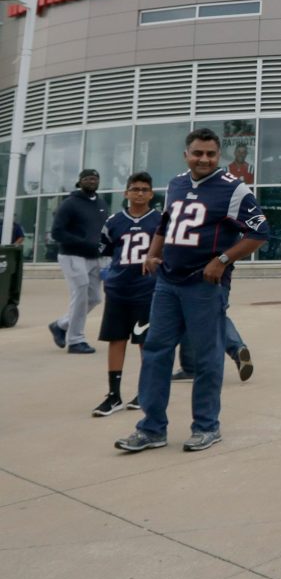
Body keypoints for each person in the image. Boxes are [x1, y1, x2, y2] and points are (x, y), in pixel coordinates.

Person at [115, 129, 271, 454]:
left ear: (218, 156)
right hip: (168, 282)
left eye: (210, 154)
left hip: (205, 284)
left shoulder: (235, 189)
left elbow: (260, 232)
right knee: (156, 352)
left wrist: (223, 260)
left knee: (206, 357)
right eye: (198, 153)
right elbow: (166, 223)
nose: (204, 159)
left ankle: (206, 426)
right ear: (186, 154)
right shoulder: (176, 183)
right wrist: (152, 252)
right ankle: (151, 428)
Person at [92, 173, 161, 416]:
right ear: (126, 193)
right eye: (135, 189)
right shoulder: (114, 221)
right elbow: (104, 251)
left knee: (145, 341)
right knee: (116, 339)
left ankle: (145, 391)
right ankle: (113, 395)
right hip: (119, 288)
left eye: (144, 189)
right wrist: (106, 277)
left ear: (151, 194)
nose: (140, 193)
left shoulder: (160, 221)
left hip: (146, 290)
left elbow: (168, 251)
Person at [47, 168, 109, 355]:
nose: (92, 181)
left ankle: (60, 325)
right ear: (79, 182)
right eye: (88, 178)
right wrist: (84, 242)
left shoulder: (101, 203)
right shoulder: (70, 204)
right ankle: (75, 340)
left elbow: (104, 231)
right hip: (72, 255)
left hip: (95, 257)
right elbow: (57, 232)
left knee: (95, 298)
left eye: (95, 178)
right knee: (80, 294)